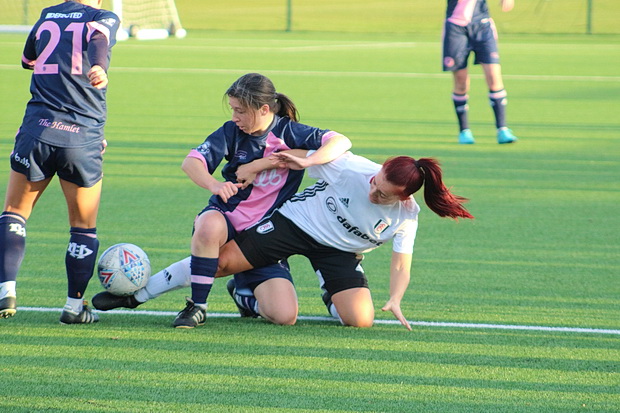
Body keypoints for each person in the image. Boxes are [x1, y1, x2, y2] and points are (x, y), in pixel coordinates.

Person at [92, 72, 352, 327]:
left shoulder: (291, 132)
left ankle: (242, 294)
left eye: (240, 111)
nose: (234, 117)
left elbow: (340, 141)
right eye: (232, 109)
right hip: (227, 218)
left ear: (263, 109)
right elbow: (191, 162)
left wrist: (304, 161)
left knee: (285, 316)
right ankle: (197, 306)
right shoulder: (231, 132)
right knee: (208, 226)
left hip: (267, 238)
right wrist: (215, 185)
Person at [171, 150, 474, 330]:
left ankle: (250, 294)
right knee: (220, 263)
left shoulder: (407, 215)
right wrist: (255, 166)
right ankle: (141, 292)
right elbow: (298, 158)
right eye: (375, 183)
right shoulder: (351, 168)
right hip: (295, 226)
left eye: (382, 195)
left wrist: (395, 299)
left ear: (403, 198)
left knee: (360, 320)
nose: (372, 193)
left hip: (339, 253)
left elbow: (400, 266)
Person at [0, 0, 119, 323]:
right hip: (81, 136)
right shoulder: (103, 16)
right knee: (83, 226)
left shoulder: (47, 15)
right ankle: (73, 307)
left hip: (36, 129)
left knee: (14, 213)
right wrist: (99, 67)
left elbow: (28, 59)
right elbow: (98, 39)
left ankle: (5, 288)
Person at [442, 0, 518, 144]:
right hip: (456, 27)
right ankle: (464, 131)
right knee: (461, 82)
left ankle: (502, 129)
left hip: (482, 26)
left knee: (494, 77)